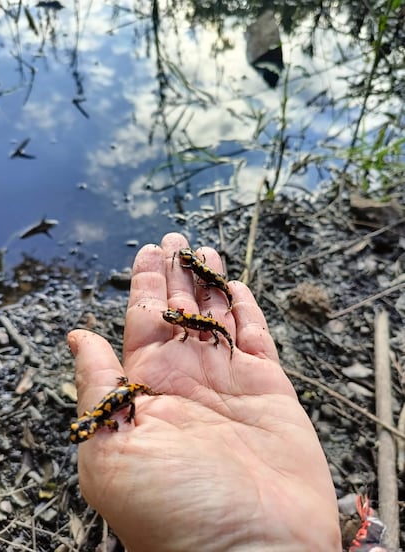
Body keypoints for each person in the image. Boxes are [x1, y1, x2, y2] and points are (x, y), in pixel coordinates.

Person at [68, 232, 343, 552]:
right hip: (132, 392)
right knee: (201, 337)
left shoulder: (99, 419)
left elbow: (193, 326)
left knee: (217, 328)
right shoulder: (101, 416)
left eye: (79, 431)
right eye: (80, 431)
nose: (81, 431)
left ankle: (218, 328)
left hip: (166, 361)